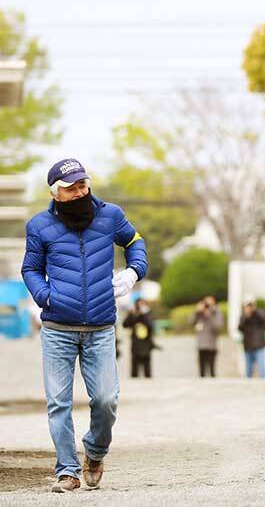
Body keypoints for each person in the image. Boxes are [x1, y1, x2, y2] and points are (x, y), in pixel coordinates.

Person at [21, 158, 148, 493]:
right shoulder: (39, 226)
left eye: (83, 184)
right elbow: (30, 269)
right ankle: (67, 471)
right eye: (72, 187)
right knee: (59, 403)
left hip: (101, 327)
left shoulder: (111, 215)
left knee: (106, 399)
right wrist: (44, 296)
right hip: (57, 329)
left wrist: (134, 272)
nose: (80, 192)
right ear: (56, 193)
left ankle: (95, 451)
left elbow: (135, 242)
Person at [191, 295, 223, 377]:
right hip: (201, 345)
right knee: (201, 371)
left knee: (212, 370)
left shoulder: (217, 313)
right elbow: (190, 321)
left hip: (211, 345)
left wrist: (210, 315)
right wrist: (197, 311)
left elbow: (218, 326)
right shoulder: (199, 313)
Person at [123, 298, 156, 378]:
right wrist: (132, 315)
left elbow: (151, 325)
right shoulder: (133, 313)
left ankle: (148, 377)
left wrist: (144, 314)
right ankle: (134, 377)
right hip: (135, 341)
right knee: (134, 361)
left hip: (146, 341)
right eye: (139, 304)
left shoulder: (147, 313)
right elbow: (125, 324)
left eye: (142, 304)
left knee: (146, 361)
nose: (140, 306)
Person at [237, 295, 265, 378]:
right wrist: (246, 316)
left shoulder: (260, 312)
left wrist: (254, 311)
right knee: (248, 369)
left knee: (262, 367)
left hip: (259, 344)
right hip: (248, 345)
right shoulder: (244, 316)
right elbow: (240, 327)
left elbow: (263, 319)